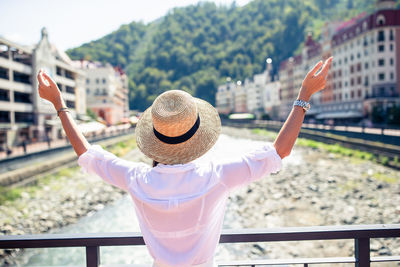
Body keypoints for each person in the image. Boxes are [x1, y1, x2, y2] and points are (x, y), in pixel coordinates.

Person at [37, 57, 332, 267]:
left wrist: (59, 104)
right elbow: (279, 151)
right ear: (197, 138)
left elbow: (88, 154)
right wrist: (303, 95)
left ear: (154, 140)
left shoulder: (136, 179)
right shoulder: (216, 176)